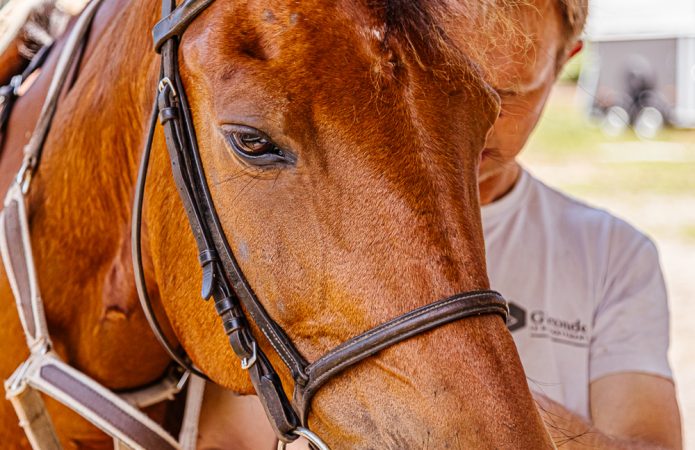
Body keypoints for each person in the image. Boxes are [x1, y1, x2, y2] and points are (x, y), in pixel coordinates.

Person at [197, 0, 683, 448]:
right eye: (439, 79)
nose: (468, 116)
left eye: (503, 94)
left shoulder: (615, 255)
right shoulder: (299, 214)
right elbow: (231, 439)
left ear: (563, 63)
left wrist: (480, 397)